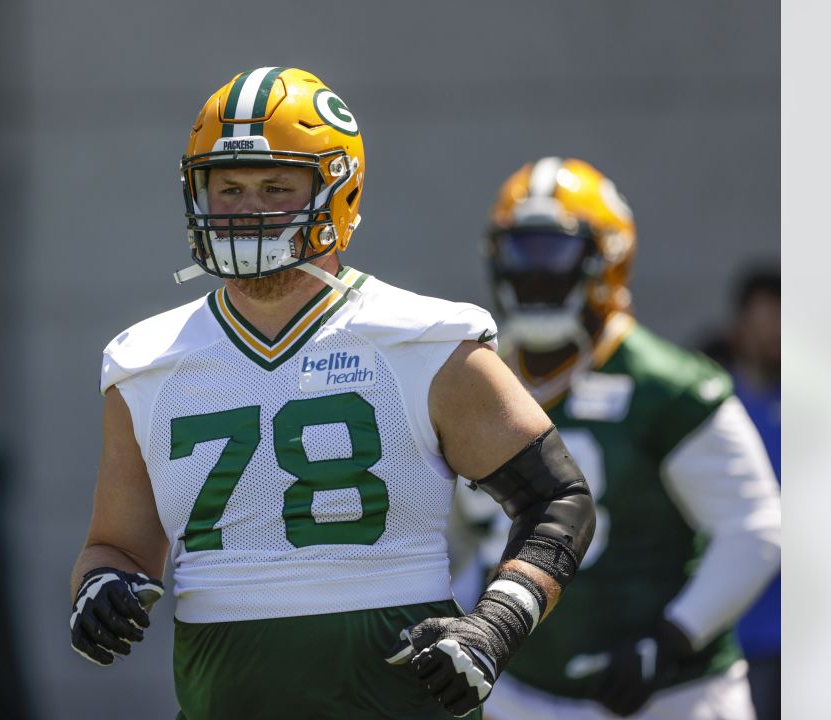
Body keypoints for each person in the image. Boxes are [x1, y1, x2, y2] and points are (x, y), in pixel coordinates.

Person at [67, 68, 596, 719]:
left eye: (275, 187)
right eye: (227, 187)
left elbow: (558, 499)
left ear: (336, 192)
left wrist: (496, 625)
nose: (246, 209)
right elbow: (116, 546)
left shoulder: (424, 342)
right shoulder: (145, 364)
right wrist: (100, 586)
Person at [453, 157, 782, 720]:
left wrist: (673, 638)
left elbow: (753, 527)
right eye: (518, 250)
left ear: (605, 258)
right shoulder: (479, 379)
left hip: (670, 697)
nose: (532, 271)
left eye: (551, 250)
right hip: (520, 690)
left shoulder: (668, 386)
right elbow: (464, 537)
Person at [703, 268, 781, 720]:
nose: (775, 333)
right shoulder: (708, 403)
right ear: (739, 327)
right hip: (725, 629)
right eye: (765, 319)